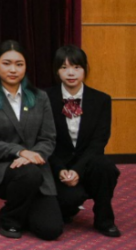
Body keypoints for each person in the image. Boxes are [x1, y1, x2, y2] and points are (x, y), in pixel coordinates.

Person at [0, 40, 63, 240]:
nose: (13, 69)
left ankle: (25, 210)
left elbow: (48, 137)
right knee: (28, 174)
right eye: (6, 63)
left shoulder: (40, 97)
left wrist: (32, 156)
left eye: (19, 64)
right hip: (1, 168)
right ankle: (10, 218)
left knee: (51, 230)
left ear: (26, 67)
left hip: (37, 166)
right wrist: (20, 152)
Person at [48, 45, 122, 237]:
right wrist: (60, 169)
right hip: (58, 165)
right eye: (64, 67)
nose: (71, 73)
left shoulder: (101, 100)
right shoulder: (45, 98)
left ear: (85, 69)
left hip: (88, 164)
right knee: (68, 201)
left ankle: (104, 219)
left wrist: (78, 170)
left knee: (105, 166)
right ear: (56, 71)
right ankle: (68, 208)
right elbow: (45, 140)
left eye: (76, 67)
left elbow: (99, 141)